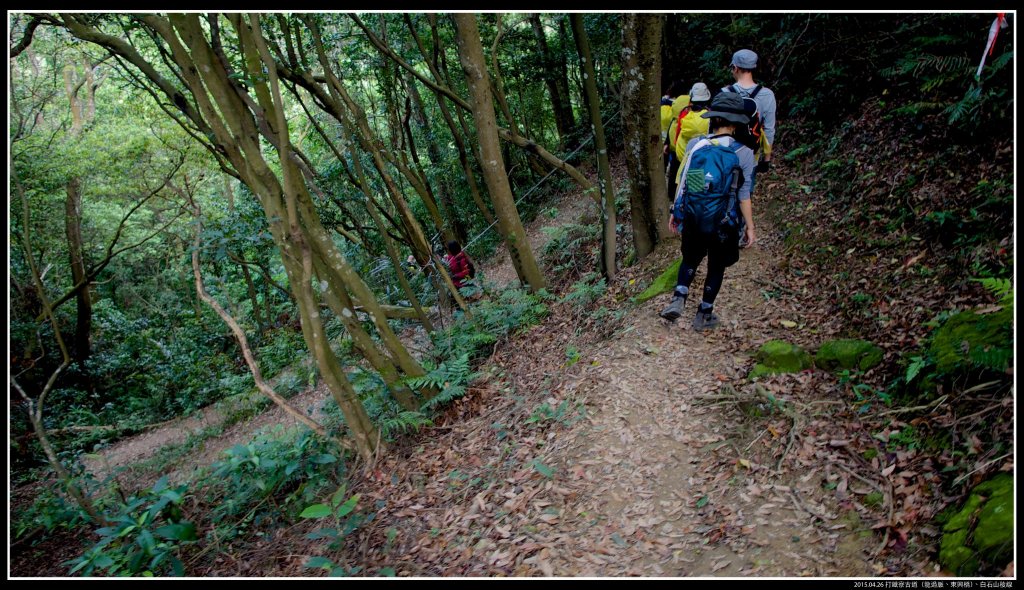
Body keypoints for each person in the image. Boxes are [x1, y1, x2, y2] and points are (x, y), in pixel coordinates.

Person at [660, 92, 757, 331]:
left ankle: (679, 297)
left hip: (695, 215)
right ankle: (704, 314)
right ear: (735, 124)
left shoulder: (698, 145)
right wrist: (750, 227)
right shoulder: (744, 154)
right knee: (717, 265)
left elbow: (689, 183)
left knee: (690, 257)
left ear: (713, 119)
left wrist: (678, 211)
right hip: (724, 221)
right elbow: (744, 195)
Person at [722, 49, 776, 246]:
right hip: (751, 154)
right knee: (744, 192)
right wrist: (766, 158)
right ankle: (740, 233)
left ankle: (723, 230)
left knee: (724, 190)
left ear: (735, 68)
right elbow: (768, 130)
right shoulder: (766, 95)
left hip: (726, 152)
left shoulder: (725, 93)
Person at [672, 82, 711, 186]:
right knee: (697, 187)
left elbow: (678, 133)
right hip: (701, 157)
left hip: (684, 155)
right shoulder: (709, 116)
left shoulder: (684, 113)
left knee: (683, 185)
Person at [662, 84, 691, 201]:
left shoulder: (673, 103)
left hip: (675, 142)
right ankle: (687, 196)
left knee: (674, 170)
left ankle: (672, 195)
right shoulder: (691, 102)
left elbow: (672, 122)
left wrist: (667, 142)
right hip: (691, 146)